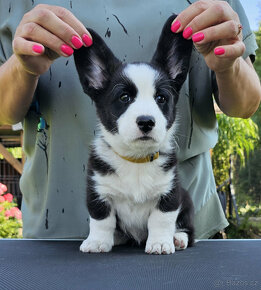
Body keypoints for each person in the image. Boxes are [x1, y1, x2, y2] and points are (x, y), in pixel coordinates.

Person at [0, 0, 260, 239]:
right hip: (58, 234)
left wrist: (229, 65)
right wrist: (21, 68)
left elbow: (246, 104)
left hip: (178, 233)